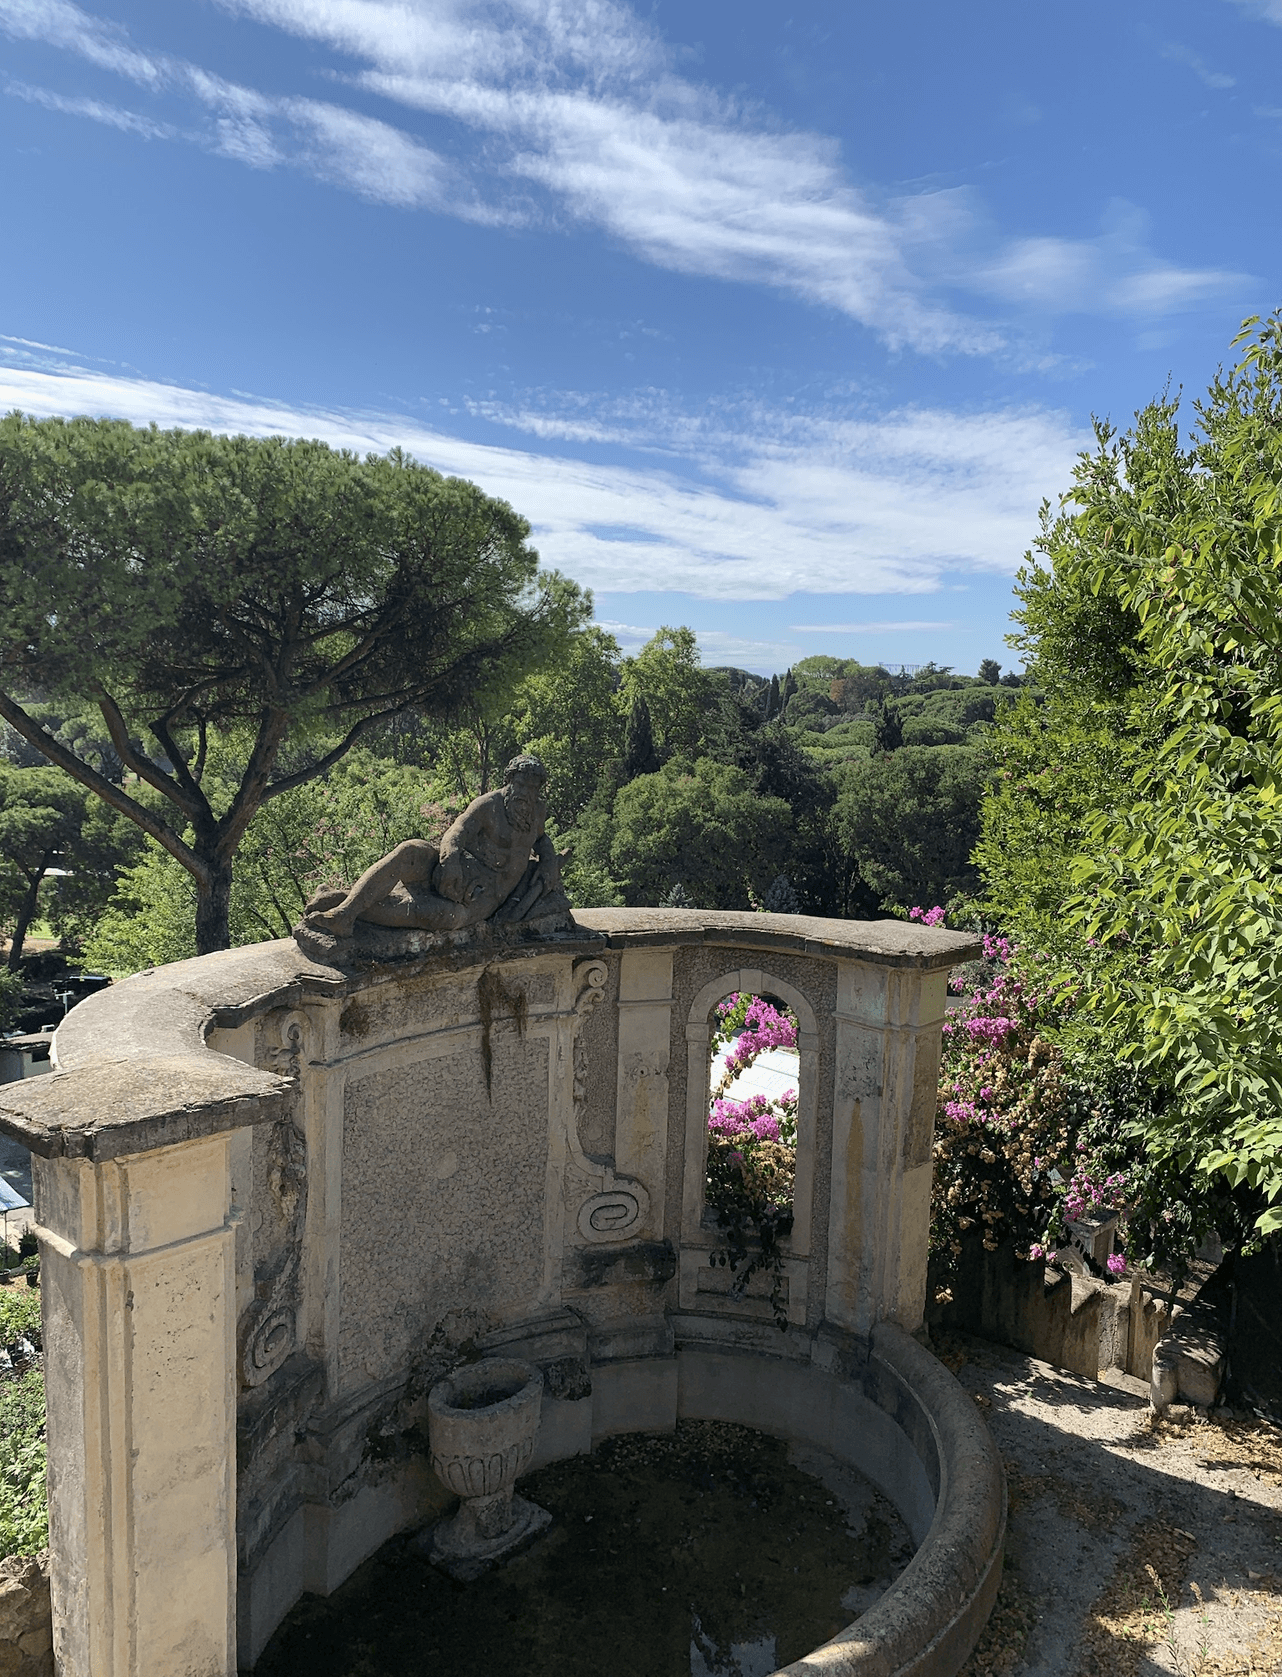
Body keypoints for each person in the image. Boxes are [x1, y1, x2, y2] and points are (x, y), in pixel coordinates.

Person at [303, 753, 563, 937]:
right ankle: (345, 914)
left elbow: (541, 839)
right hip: (458, 869)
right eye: (520, 784)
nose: (525, 793)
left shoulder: (536, 811)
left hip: (485, 897)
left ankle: (336, 899)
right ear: (509, 782)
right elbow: (457, 831)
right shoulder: (489, 805)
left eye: (532, 787)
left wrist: (549, 860)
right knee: (411, 851)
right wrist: (450, 861)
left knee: (439, 915)